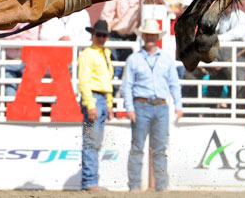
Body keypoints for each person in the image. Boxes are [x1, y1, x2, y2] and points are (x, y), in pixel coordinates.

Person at [122, 18, 182, 192]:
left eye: (152, 35)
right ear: (144, 36)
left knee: (160, 148)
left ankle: (162, 185)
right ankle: (134, 185)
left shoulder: (166, 58)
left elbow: (174, 83)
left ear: (157, 37)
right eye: (148, 35)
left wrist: (178, 105)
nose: (150, 38)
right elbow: (127, 85)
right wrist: (130, 108)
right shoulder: (134, 59)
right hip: (141, 105)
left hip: (161, 106)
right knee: (137, 147)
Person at [77, 19, 114, 191]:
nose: (101, 38)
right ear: (93, 35)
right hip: (93, 97)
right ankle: (89, 182)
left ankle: (91, 181)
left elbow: (107, 82)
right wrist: (90, 104)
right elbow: (84, 81)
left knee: (94, 141)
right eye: (99, 35)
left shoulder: (104, 53)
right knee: (92, 141)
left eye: (103, 35)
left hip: (100, 98)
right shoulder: (88, 54)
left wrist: (109, 104)